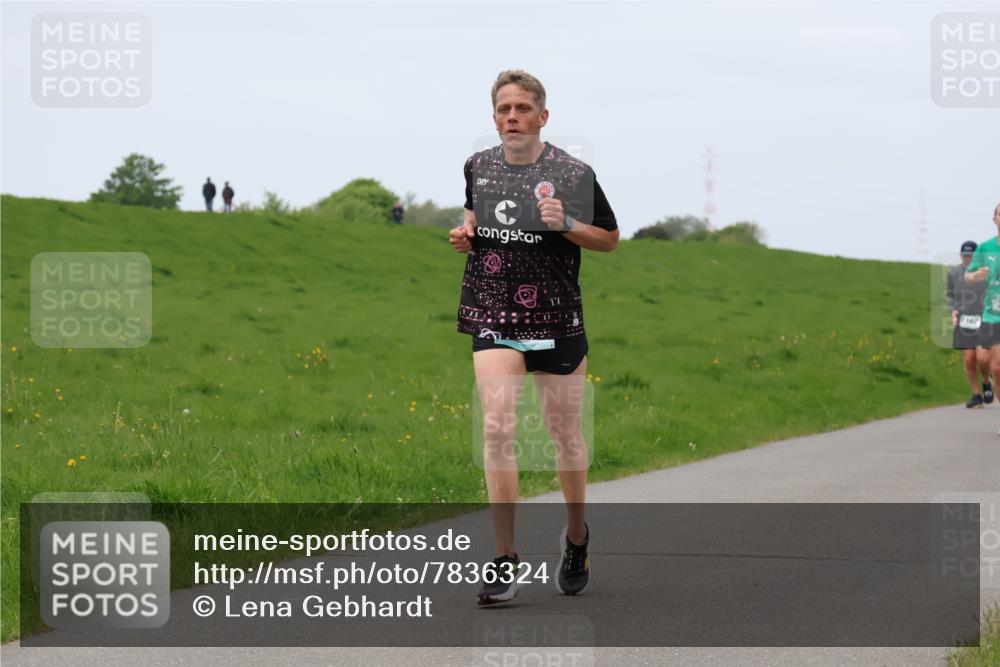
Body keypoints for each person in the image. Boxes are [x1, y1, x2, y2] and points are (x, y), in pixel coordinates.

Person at [448, 69, 619, 605]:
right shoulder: (478, 166)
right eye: (504, 109)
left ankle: (577, 537)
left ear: (543, 116)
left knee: (564, 434)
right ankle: (505, 558)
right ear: (494, 117)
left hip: (556, 318)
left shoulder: (573, 172)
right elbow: (475, 213)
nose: (513, 117)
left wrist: (567, 223)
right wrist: (466, 231)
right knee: (497, 428)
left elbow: (610, 238)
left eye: (522, 108)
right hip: (493, 313)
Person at [964, 204, 1000, 417]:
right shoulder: (985, 248)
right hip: (991, 315)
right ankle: (986, 382)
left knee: (998, 368)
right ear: (995, 220)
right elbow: (968, 276)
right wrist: (975, 276)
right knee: (983, 360)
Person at [947, 240, 992, 407]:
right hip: (964, 319)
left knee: (982, 358)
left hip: (984, 319)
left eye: (971, 256)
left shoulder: (986, 272)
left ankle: (986, 381)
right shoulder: (954, 273)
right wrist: (953, 311)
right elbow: (949, 295)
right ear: (961, 255)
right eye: (965, 256)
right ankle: (976, 395)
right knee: (968, 359)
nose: (968, 259)